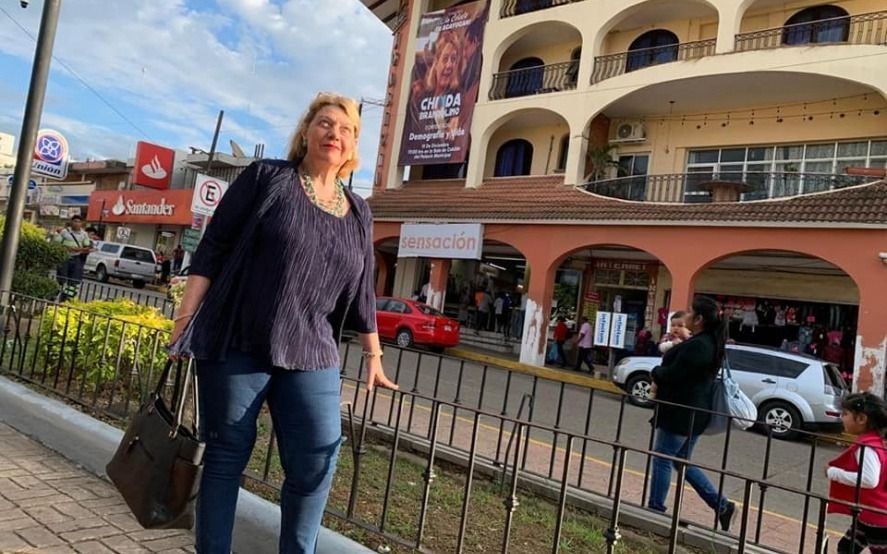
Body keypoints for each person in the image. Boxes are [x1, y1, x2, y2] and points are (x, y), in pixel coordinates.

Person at [168, 92, 398, 554]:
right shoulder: (267, 178)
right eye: (325, 123)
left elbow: (361, 290)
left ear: (353, 146)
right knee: (226, 456)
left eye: (346, 129)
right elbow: (213, 247)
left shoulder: (359, 211)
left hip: (313, 350)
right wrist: (185, 319)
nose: (334, 134)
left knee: (316, 460)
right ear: (306, 132)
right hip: (239, 340)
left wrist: (373, 353)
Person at [648, 296, 736, 530]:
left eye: (689, 312)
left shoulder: (700, 345)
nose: (685, 315)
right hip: (694, 412)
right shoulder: (707, 342)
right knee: (681, 461)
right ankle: (721, 505)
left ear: (698, 319)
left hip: (682, 413)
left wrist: (656, 371)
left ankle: (655, 509)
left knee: (663, 458)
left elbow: (675, 374)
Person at [827, 393, 887, 554]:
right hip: (871, 513)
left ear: (861, 419)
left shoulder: (866, 447)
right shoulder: (876, 441)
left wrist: (833, 472)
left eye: (845, 414)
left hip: (876, 518)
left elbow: (869, 479)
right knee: (846, 547)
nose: (842, 418)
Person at [53, 215, 93, 301]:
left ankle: (66, 299)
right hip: (64, 257)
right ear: (71, 222)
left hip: (76, 258)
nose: (77, 223)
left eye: (79, 222)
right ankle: (52, 297)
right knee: (61, 279)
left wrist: (80, 249)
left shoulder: (84, 234)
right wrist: (67, 248)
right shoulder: (64, 232)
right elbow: (56, 243)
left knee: (73, 281)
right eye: (75, 221)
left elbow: (87, 246)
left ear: (82, 223)